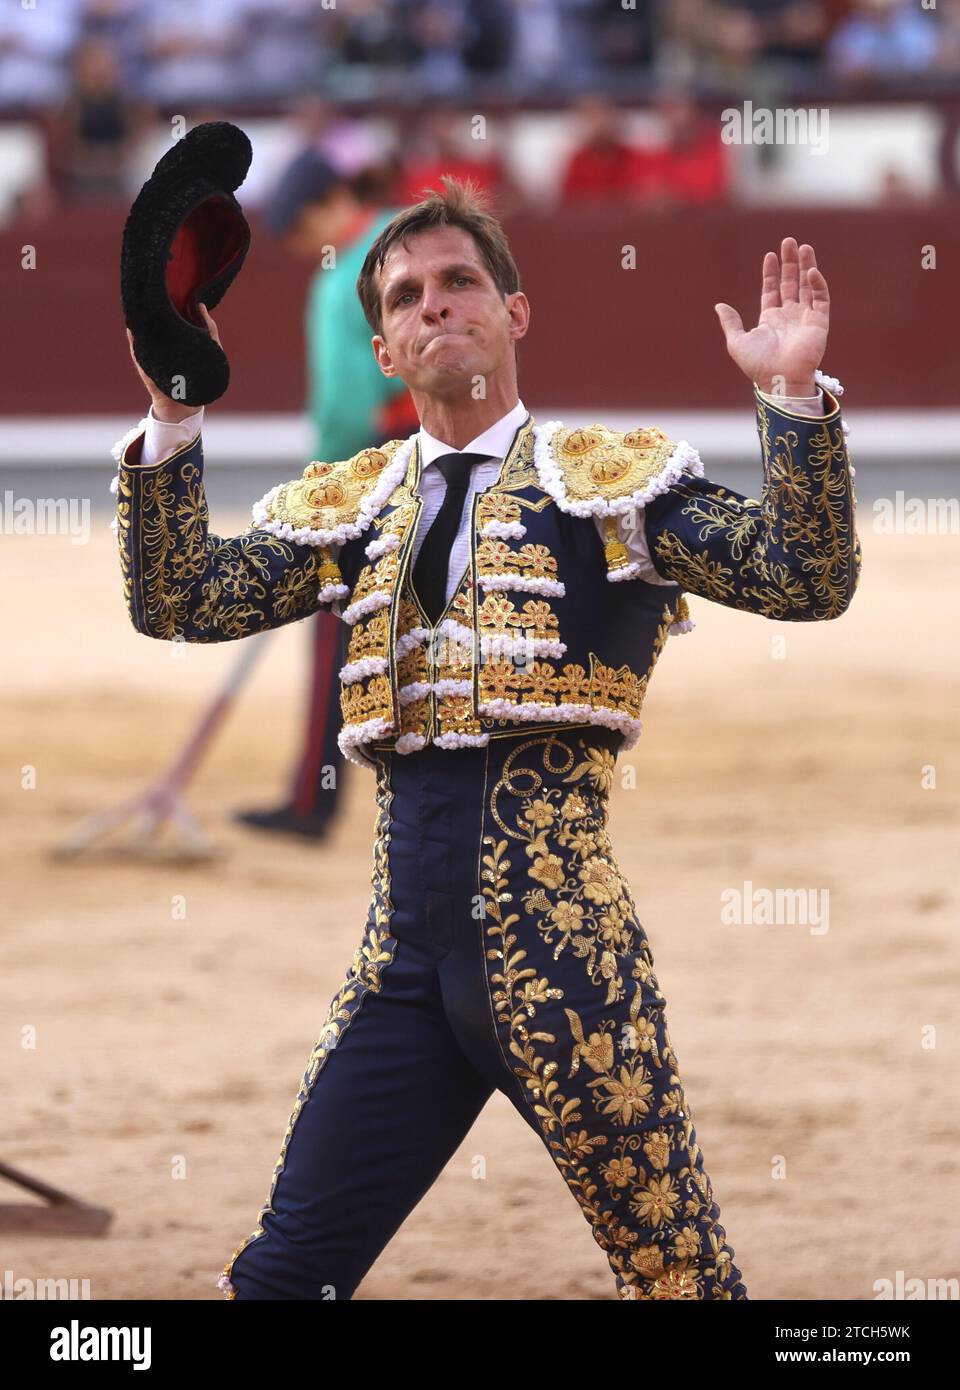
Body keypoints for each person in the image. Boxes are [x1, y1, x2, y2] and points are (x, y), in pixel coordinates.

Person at [113, 177, 861, 1300]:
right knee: (281, 1278)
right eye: (409, 295)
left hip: (571, 970)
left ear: (515, 313)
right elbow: (179, 599)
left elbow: (805, 577)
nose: (436, 306)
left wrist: (793, 399)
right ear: (383, 347)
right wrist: (176, 410)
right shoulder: (352, 506)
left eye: (462, 280)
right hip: (401, 975)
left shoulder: (612, 487)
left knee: (681, 1282)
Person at [234, 151, 418, 841]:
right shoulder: (417, 234)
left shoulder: (344, 275)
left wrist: (322, 489)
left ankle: (314, 803)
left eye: (296, 230)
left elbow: (345, 409)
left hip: (376, 473)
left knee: (338, 631)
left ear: (324, 207)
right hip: (469, 457)